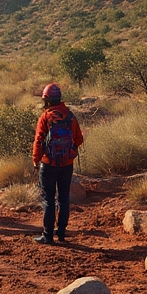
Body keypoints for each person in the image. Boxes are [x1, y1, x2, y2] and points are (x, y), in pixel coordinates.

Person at [31, 83, 84, 244]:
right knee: (64, 197)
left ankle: (47, 235)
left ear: (47, 99)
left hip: (48, 164)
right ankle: (61, 233)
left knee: (48, 199)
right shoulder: (70, 116)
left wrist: (36, 160)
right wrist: (69, 151)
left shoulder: (46, 117)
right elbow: (79, 139)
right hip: (66, 164)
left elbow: (39, 141)